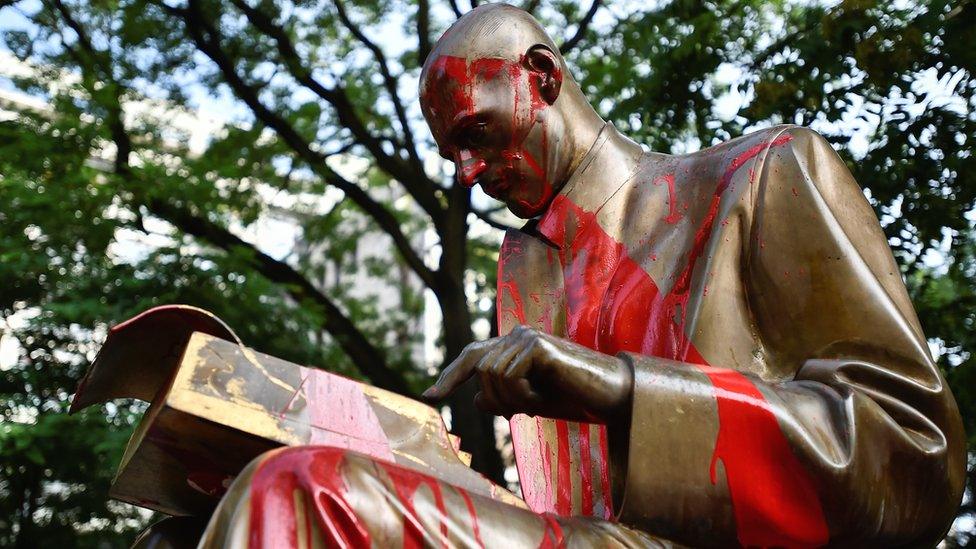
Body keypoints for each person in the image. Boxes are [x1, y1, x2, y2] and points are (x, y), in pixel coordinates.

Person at [198, 4, 965, 547]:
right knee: (192, 525)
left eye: (476, 133)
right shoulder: (525, 272)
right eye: (451, 155)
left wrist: (621, 387)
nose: (466, 174)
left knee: (298, 492)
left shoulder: (761, 179)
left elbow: (914, 457)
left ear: (542, 76)